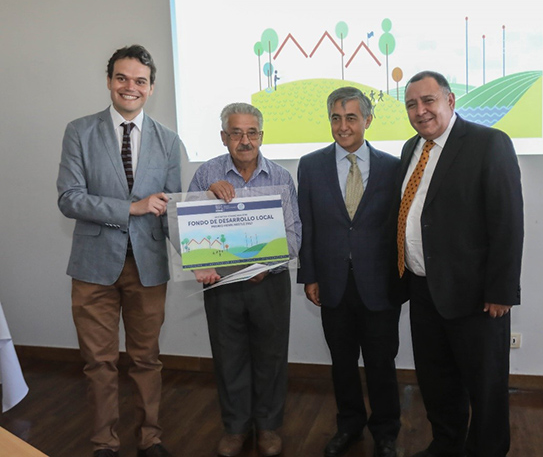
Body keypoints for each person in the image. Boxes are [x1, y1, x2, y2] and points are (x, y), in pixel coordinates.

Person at [57, 45, 181, 457]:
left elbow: (172, 210)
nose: (131, 87)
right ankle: (104, 443)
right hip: (93, 269)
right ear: (109, 81)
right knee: (99, 362)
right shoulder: (80, 131)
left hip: (149, 268)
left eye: (140, 81)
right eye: (122, 78)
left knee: (147, 360)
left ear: (151, 87)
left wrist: (202, 258)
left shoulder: (168, 140)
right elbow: (69, 198)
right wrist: (131, 208)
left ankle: (150, 438)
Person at [395, 71, 524, 457]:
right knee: (437, 382)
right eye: (411, 104)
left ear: (450, 101)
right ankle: (446, 445)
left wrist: (501, 291)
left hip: (475, 296)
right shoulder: (410, 148)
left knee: (485, 386)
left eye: (428, 101)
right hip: (423, 289)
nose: (420, 111)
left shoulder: (489, 143)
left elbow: (507, 222)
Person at [188, 103, 301, 457]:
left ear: (262, 136)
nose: (245, 140)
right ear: (224, 137)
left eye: (252, 132)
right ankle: (235, 428)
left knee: (271, 357)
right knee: (228, 357)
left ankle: (267, 427)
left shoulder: (281, 177)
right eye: (236, 133)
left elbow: (294, 234)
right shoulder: (206, 175)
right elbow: (185, 229)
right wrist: (206, 199)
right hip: (222, 286)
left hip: (270, 283)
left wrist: (266, 264)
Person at [298, 87, 401, 457]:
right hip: (332, 283)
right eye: (336, 118)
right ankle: (349, 425)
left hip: (380, 285)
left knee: (381, 364)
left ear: (368, 120)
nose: (343, 126)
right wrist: (310, 275)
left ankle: (386, 432)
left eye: (351, 118)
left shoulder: (393, 167)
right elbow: (307, 224)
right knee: (342, 363)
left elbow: (399, 227)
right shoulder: (311, 165)